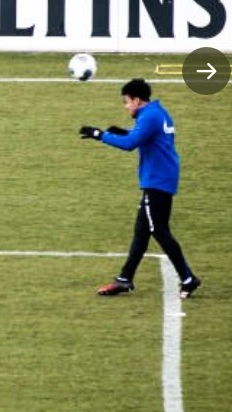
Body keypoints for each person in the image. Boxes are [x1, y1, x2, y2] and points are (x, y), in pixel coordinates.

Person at [79, 78, 200, 299]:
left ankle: (188, 278)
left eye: (127, 102)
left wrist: (100, 135)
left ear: (136, 100)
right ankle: (124, 279)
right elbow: (143, 138)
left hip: (157, 180)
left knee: (159, 231)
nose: (126, 107)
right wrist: (123, 132)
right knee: (141, 233)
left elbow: (130, 144)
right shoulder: (157, 113)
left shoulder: (150, 116)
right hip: (162, 178)